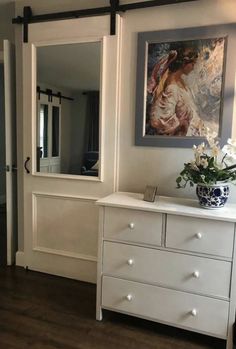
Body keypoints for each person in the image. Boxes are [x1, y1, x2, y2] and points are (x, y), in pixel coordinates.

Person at [147, 43, 204, 136]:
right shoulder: (172, 87)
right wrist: (182, 124)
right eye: (192, 64)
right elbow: (158, 119)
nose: (193, 68)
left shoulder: (180, 81)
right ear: (184, 64)